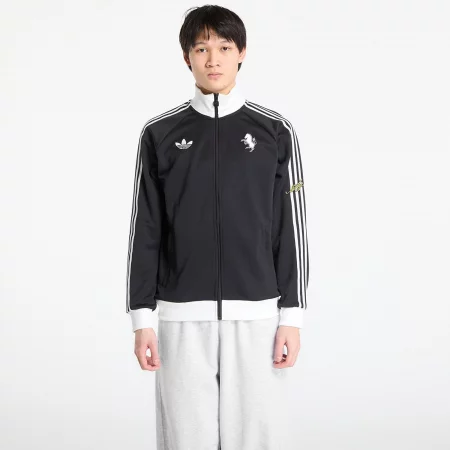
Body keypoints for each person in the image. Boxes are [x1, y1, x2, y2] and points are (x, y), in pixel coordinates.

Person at [125, 5, 310, 449]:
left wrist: (292, 316)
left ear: (241, 52)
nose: (213, 59)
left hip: (258, 315)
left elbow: (292, 228)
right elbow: (145, 228)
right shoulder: (159, 134)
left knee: (259, 439)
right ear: (186, 56)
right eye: (201, 48)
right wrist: (141, 319)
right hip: (181, 316)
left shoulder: (275, 131)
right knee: (185, 440)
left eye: (224, 48)